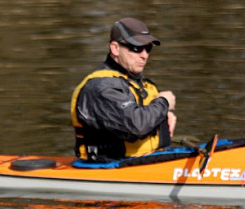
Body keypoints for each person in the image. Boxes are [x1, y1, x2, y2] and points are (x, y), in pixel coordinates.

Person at [71, 17, 176, 163]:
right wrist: (163, 103)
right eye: (136, 48)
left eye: (148, 48)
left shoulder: (138, 83)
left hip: (147, 160)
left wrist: (162, 117)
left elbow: (142, 114)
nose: (144, 55)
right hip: (109, 166)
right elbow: (137, 125)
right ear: (115, 48)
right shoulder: (101, 87)